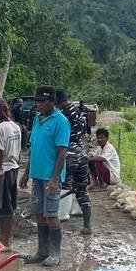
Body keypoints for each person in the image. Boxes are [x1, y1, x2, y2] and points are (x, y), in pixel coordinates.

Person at [20, 86, 70, 268]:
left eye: (42, 101)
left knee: (51, 215)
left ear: (52, 102)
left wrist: (55, 178)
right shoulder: (36, 119)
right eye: (37, 101)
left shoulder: (61, 122)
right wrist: (26, 172)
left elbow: (62, 152)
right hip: (37, 175)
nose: (38, 104)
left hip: (51, 177)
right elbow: (33, 148)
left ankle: (55, 254)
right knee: (38, 214)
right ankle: (42, 251)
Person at [55, 89, 92, 236]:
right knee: (82, 189)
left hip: (68, 153)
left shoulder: (62, 115)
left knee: (63, 183)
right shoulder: (80, 113)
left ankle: (61, 217)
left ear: (59, 101)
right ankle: (87, 224)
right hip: (81, 153)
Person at [0, 98, 22, 247]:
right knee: (9, 206)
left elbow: (0, 155)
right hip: (14, 168)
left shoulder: (0, 129)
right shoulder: (15, 127)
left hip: (3, 171)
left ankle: (4, 239)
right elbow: (19, 150)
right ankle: (7, 239)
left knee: (3, 208)